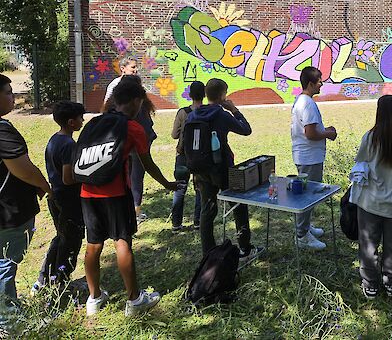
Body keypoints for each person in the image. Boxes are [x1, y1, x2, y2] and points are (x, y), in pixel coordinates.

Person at [80, 77, 177, 317]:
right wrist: (167, 184)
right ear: (136, 101)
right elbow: (147, 164)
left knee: (93, 245)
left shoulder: (94, 122)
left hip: (87, 192)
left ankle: (93, 298)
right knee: (122, 243)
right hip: (116, 193)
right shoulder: (133, 127)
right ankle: (134, 301)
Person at [187, 79, 260, 262]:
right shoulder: (221, 114)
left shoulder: (193, 115)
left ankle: (208, 254)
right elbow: (246, 130)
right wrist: (234, 110)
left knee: (207, 210)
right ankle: (244, 248)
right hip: (223, 169)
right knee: (238, 204)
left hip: (201, 169)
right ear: (222, 96)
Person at [351, 95, 392, 299]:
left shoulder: (369, 138)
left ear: (378, 112)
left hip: (370, 203)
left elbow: (360, 163)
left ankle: (370, 284)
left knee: (368, 245)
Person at [0, 75, 51, 325]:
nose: (13, 96)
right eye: (8, 92)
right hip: (8, 212)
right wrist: (44, 185)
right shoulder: (1, 131)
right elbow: (22, 168)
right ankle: (9, 321)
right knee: (4, 265)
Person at [33, 101, 86, 292]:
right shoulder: (69, 144)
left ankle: (45, 277)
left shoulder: (54, 139)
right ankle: (61, 282)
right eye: (81, 118)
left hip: (55, 196)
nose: (83, 121)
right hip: (68, 199)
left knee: (61, 236)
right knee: (72, 239)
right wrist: (88, 176)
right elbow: (68, 178)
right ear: (71, 122)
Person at [291, 67, 337, 250]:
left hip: (306, 156)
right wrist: (329, 133)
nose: (321, 84)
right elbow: (310, 133)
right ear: (310, 84)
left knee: (307, 194)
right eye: (319, 81)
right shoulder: (307, 104)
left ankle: (306, 227)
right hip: (309, 157)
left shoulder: (302, 101)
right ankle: (302, 235)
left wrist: (325, 131)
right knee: (307, 196)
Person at [105, 72, 157, 224]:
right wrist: (167, 184)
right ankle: (135, 211)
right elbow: (147, 128)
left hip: (122, 148)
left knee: (128, 176)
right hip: (135, 147)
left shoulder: (114, 106)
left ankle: (130, 210)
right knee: (135, 177)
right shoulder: (138, 105)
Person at [169, 81, 204, 233]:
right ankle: (198, 222)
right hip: (201, 156)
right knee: (200, 190)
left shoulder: (182, 112)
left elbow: (174, 135)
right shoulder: (207, 112)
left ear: (190, 95)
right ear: (204, 95)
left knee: (180, 189)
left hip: (183, 155)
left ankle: (176, 224)